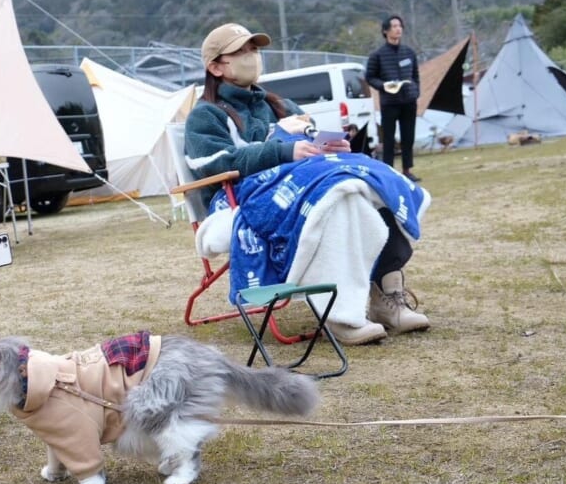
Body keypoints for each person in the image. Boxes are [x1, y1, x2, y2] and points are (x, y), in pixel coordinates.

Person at [184, 23, 431, 345]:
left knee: (369, 182)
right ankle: (340, 312)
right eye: (241, 52)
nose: (252, 57)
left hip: (302, 185)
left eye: (254, 50)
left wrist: (328, 146)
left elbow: (311, 141)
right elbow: (212, 164)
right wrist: (281, 148)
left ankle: (388, 296)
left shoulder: (280, 104)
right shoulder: (206, 115)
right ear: (215, 66)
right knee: (340, 195)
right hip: (239, 198)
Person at [366, 14, 422, 182]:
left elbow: (415, 75)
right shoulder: (377, 55)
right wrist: (383, 86)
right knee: (389, 138)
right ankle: (389, 171)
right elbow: (370, 77)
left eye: (400, 26)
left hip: (409, 101)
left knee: (408, 136)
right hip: (389, 102)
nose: (398, 29)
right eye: (394, 26)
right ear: (385, 31)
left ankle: (407, 170)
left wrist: (416, 90)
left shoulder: (409, 52)